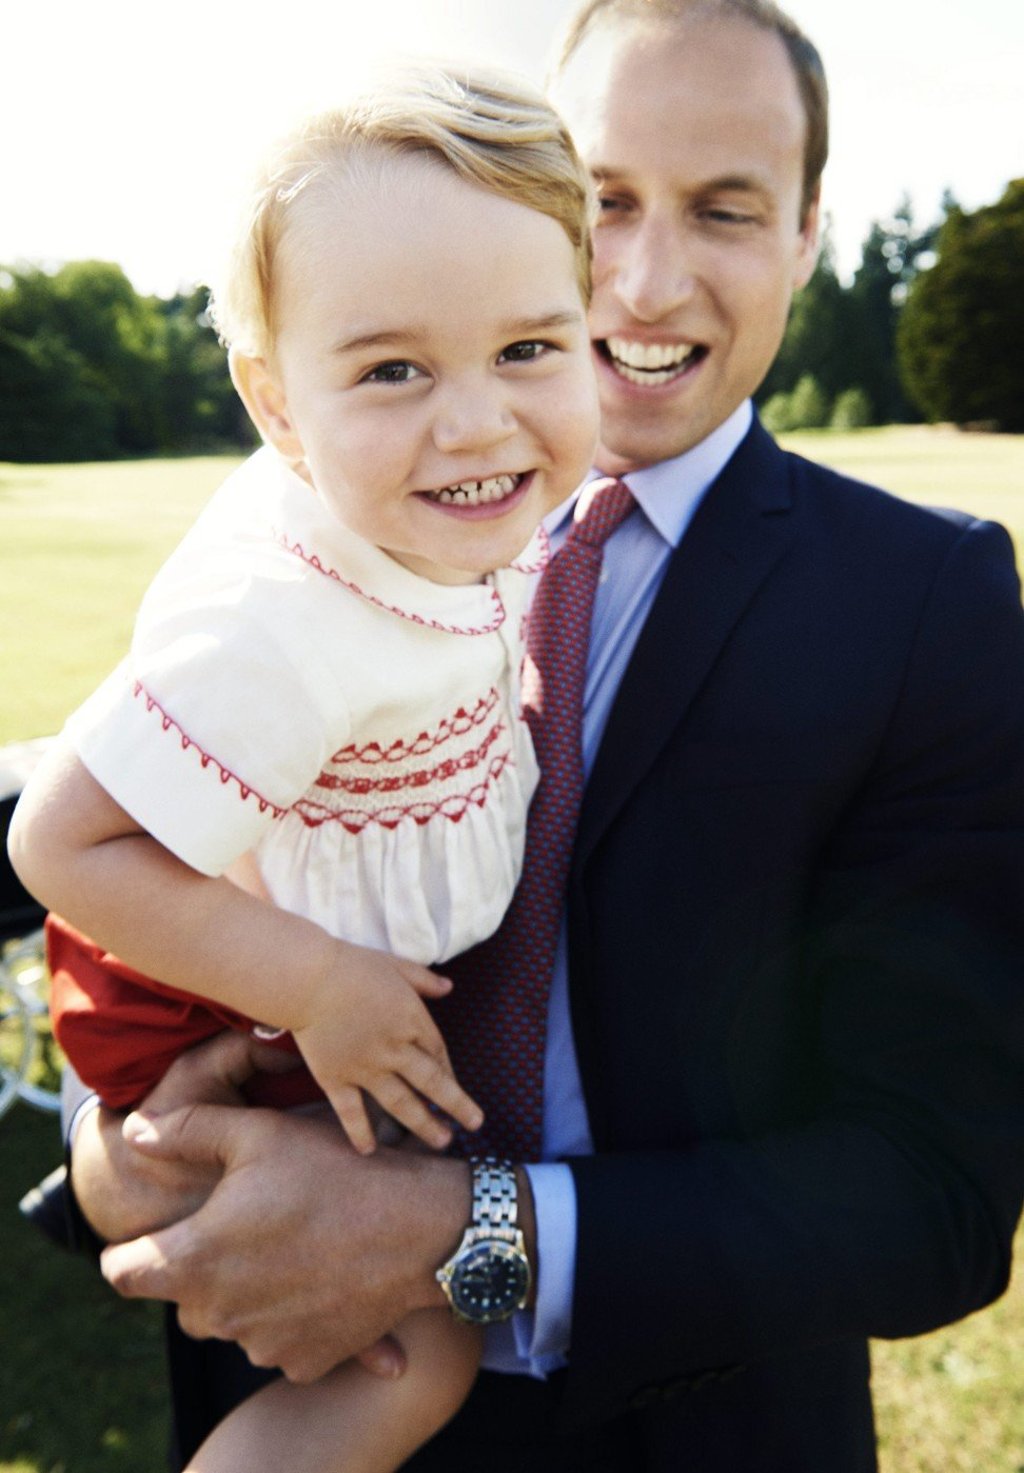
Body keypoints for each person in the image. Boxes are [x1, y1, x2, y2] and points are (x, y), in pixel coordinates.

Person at [30, 1, 1024, 1470]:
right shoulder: (313, 531)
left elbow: (930, 1195)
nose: (646, 277)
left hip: (683, 1434)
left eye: (726, 208)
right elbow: (139, 851)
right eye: (606, 198)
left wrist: (466, 1236)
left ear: (811, 230)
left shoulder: (924, 603)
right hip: (294, 1384)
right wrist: (116, 1150)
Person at [8, 65, 600, 1473]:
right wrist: (319, 987)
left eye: (528, 347)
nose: (477, 421)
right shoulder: (283, 619)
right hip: (211, 993)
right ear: (277, 407)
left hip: (273, 970)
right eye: (394, 369)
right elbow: (56, 843)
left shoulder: (429, 527)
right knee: (420, 1349)